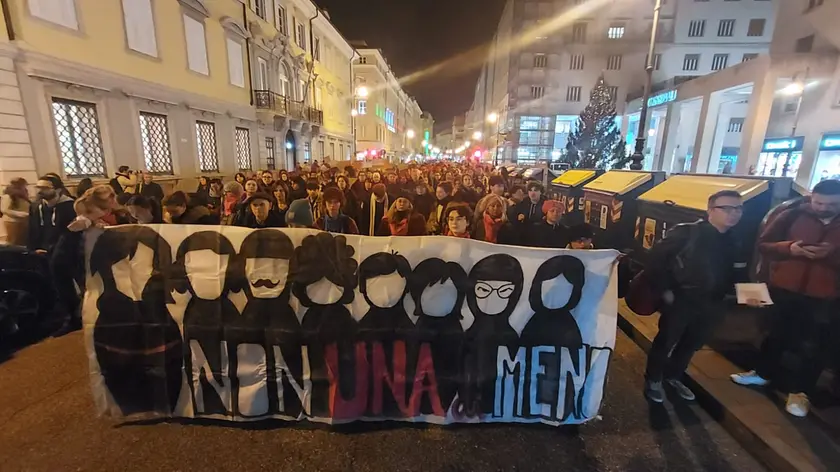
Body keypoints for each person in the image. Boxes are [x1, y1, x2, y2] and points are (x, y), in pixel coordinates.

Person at [730, 179, 840, 417]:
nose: (822, 208)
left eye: (830, 204)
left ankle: (801, 393)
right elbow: (764, 245)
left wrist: (830, 255)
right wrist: (790, 248)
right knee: (775, 333)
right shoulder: (792, 215)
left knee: (813, 346)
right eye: (818, 202)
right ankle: (763, 373)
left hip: (825, 295)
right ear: (811, 197)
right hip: (784, 286)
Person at [643, 190, 747, 404]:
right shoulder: (688, 233)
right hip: (683, 299)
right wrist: (666, 291)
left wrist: (745, 293)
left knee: (692, 343)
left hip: (714, 302)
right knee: (666, 340)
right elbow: (655, 261)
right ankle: (653, 379)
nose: (733, 213)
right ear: (710, 210)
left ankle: (673, 377)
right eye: (726, 208)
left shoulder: (736, 241)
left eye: (738, 209)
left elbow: (738, 271)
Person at [28, 175, 75, 254]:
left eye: (45, 188)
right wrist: (33, 249)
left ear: (58, 190)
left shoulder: (70, 206)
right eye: (38, 187)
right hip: (40, 250)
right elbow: (31, 229)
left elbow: (70, 234)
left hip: (62, 252)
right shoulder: (35, 206)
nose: (39, 191)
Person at [2, 178, 30, 246]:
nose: (25, 187)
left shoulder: (23, 195)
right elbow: (5, 209)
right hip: (13, 222)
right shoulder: (8, 196)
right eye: (24, 185)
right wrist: (21, 214)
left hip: (24, 221)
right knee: (14, 241)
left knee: (22, 241)